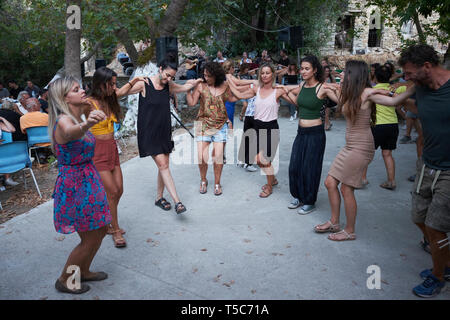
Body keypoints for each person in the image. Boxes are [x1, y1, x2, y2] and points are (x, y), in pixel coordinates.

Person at [313, 60, 395, 240]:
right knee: (330, 183)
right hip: (349, 147)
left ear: (354, 74)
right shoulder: (351, 93)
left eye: (344, 72)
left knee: (346, 189)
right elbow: (334, 91)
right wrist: (331, 86)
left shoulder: (366, 92)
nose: (341, 74)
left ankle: (350, 231)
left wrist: (403, 91)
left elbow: (390, 99)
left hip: (361, 147)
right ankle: (335, 222)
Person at [48, 76, 111, 294]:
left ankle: (83, 271)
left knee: (101, 229)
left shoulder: (78, 113)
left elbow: (101, 99)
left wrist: (88, 109)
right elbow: (70, 133)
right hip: (74, 185)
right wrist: (88, 123)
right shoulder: (64, 120)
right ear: (64, 97)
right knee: (89, 237)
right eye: (76, 89)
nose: (82, 90)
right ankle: (66, 279)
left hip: (88, 178)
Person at [397, 44, 450, 298]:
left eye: (409, 72)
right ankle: (445, 260)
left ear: (426, 67)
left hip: (449, 172)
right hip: (427, 164)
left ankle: (439, 276)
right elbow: (404, 103)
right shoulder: (420, 88)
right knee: (419, 217)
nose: (406, 77)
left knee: (435, 226)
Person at [127, 54, 203, 211]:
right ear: (160, 69)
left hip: (163, 130)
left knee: (164, 165)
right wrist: (132, 81)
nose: (169, 79)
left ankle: (159, 198)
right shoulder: (145, 84)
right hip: (148, 132)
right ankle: (177, 201)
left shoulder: (168, 85)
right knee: (163, 164)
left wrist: (194, 83)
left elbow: (183, 88)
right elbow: (123, 93)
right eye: (167, 75)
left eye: (172, 77)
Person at [84, 67, 148, 248]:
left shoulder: (109, 98)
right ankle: (115, 229)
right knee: (111, 192)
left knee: (119, 190)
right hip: (97, 152)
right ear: (100, 84)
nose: (114, 87)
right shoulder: (88, 103)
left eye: (114, 84)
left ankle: (107, 219)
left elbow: (124, 90)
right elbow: (70, 112)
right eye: (111, 84)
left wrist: (134, 81)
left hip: (112, 149)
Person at [227, 63, 293, 197]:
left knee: (263, 159)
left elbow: (295, 99)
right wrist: (228, 82)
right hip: (257, 128)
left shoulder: (278, 90)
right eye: (262, 73)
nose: (264, 75)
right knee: (259, 160)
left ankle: (269, 187)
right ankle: (272, 179)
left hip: (271, 129)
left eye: (267, 73)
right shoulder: (256, 90)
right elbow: (237, 95)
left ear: (273, 74)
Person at [283, 55, 339, 214]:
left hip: (315, 134)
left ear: (315, 70)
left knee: (310, 168)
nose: (303, 71)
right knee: (295, 166)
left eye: (307, 68)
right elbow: (297, 101)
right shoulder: (301, 85)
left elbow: (340, 101)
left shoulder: (322, 87)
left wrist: (336, 88)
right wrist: (283, 92)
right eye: (302, 68)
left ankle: (309, 200)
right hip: (301, 132)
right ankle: (297, 196)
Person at [186, 61, 238, 196]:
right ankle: (203, 180)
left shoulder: (225, 86)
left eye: (209, 76)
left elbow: (232, 99)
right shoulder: (200, 86)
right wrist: (188, 89)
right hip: (203, 124)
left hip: (220, 125)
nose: (206, 78)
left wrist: (252, 90)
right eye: (204, 75)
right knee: (201, 157)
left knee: (218, 157)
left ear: (216, 75)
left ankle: (217, 183)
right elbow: (192, 103)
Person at [361, 64, 404, 190]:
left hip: (377, 125)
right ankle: (391, 181)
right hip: (392, 125)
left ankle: (362, 179)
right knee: (387, 154)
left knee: (367, 153)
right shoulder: (394, 89)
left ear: (375, 75)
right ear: (390, 76)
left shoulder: (372, 90)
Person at [323, 65, 336, 130]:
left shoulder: (331, 78)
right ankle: (328, 124)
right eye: (325, 71)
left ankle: (327, 125)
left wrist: (329, 87)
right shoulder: (321, 78)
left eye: (328, 71)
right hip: (322, 97)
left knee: (326, 114)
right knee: (324, 114)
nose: (327, 72)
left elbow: (335, 87)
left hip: (329, 98)